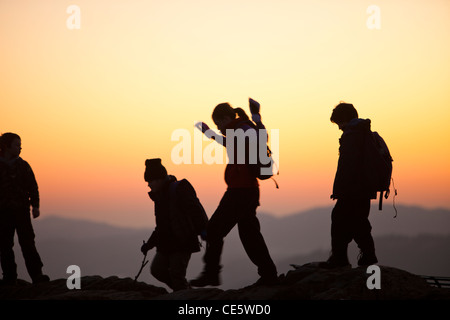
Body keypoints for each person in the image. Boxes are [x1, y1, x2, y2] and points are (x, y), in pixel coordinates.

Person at [190, 99, 278, 287]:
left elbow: (259, 137)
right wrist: (208, 132)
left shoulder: (241, 128)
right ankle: (269, 274)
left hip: (241, 191)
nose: (218, 127)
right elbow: (228, 142)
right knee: (250, 235)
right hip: (246, 191)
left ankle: (211, 274)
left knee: (214, 230)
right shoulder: (236, 131)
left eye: (218, 123)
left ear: (225, 118)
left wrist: (256, 117)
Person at [141, 158, 208, 291]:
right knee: (157, 270)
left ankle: (184, 296)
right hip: (166, 243)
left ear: (159, 179)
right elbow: (161, 226)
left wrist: (204, 230)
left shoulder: (179, 189)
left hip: (182, 242)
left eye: (150, 181)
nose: (149, 185)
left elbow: (197, 211)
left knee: (177, 275)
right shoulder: (159, 197)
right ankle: (184, 291)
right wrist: (149, 244)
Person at [325, 102, 379, 268]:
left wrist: (340, 190)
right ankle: (362, 256)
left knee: (342, 219)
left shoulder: (353, 135)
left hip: (353, 189)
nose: (339, 128)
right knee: (357, 221)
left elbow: (347, 165)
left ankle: (341, 259)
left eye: (339, 123)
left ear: (344, 119)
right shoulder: (363, 131)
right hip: (364, 188)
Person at [0, 132, 50, 285]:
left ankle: (37, 276)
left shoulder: (23, 166)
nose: (20, 148)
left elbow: (32, 187)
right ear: (6, 146)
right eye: (16, 145)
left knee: (27, 243)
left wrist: (35, 206)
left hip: (22, 211)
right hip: (3, 212)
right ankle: (9, 277)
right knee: (5, 245)